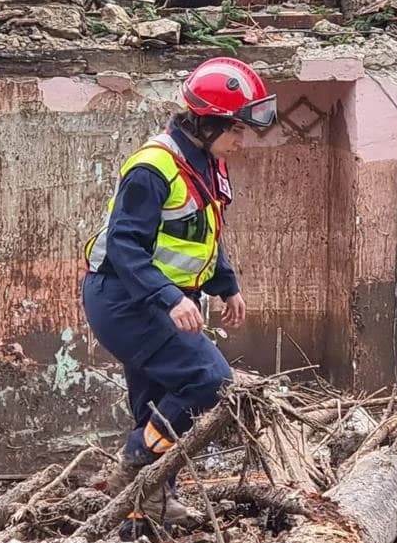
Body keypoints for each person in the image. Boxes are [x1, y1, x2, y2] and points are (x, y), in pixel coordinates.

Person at [82, 58, 276, 487]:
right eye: (237, 129)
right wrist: (170, 298)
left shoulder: (207, 162)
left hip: (156, 296)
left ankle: (143, 512)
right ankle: (136, 456)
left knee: (154, 401)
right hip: (123, 297)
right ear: (207, 124)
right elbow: (124, 245)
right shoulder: (153, 168)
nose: (243, 140)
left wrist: (226, 285)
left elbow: (202, 231)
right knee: (209, 381)